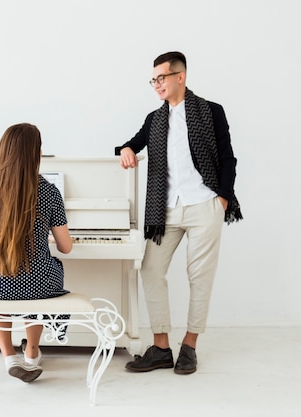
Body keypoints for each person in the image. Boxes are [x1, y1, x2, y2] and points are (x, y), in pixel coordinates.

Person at [115, 51, 242, 375]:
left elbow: (227, 158)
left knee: (199, 278)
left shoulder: (211, 112)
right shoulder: (154, 119)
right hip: (166, 209)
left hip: (205, 204)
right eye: (153, 79)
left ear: (179, 77)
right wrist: (127, 149)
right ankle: (160, 347)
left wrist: (222, 198)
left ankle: (189, 345)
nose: (156, 84)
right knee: (150, 270)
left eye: (161, 77)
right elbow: (130, 144)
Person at [0, 122, 73, 383]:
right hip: (38, 285)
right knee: (44, 271)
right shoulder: (49, 190)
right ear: (36, 153)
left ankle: (9, 354)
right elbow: (65, 247)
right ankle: (32, 351)